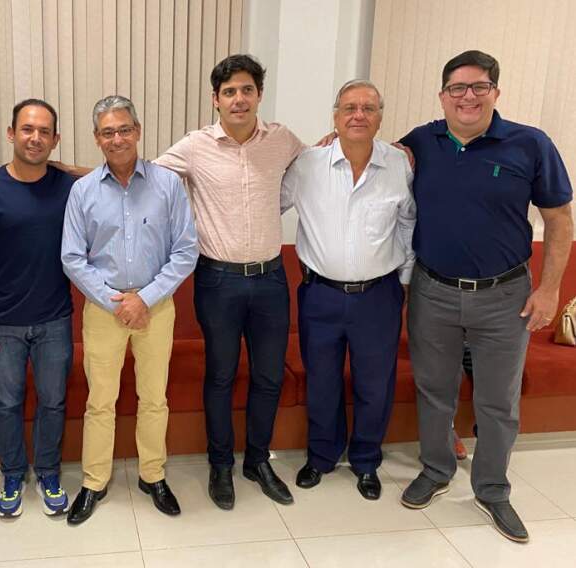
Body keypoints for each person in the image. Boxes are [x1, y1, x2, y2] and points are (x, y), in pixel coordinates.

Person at [398, 50, 573, 543]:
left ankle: (492, 489)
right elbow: (372, 154)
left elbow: (559, 220)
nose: (467, 96)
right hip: (432, 290)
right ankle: (435, 470)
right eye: (457, 88)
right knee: (434, 391)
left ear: (496, 92)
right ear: (443, 96)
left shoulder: (529, 143)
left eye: (478, 87)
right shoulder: (422, 141)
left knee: (499, 401)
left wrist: (549, 289)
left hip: (506, 296)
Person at [155, 54, 306, 510]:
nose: (238, 99)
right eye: (228, 92)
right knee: (220, 375)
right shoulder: (195, 146)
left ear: (259, 94)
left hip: (271, 279)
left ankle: (257, 460)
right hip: (217, 280)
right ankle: (220, 465)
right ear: (215, 100)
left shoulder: (282, 141)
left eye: (246, 90)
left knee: (267, 376)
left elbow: (320, 166)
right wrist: (79, 177)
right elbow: (140, 177)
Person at [61, 95, 198, 525]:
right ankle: (94, 481)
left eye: (123, 129)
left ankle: (152, 475)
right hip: (104, 310)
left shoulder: (168, 185)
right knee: (100, 400)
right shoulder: (82, 191)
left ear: (137, 131)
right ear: (97, 139)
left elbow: (186, 250)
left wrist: (145, 298)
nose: (116, 138)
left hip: (155, 307)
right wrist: (115, 301)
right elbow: (72, 256)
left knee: (154, 397)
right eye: (107, 132)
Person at [283, 80, 415, 501]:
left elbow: (410, 222)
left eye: (368, 108)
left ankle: (365, 461)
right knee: (322, 380)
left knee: (375, 384)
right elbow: (265, 203)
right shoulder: (307, 164)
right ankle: (321, 457)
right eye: (350, 108)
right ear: (335, 117)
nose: (359, 115)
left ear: (380, 117)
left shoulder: (400, 165)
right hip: (320, 294)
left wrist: (406, 281)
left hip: (379, 295)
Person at [0, 99, 74, 518]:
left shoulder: (68, 187)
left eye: (44, 131)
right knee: (6, 404)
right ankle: (12, 473)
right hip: (2, 321)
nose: (35, 138)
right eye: (27, 129)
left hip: (55, 319)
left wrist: (72, 168)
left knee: (53, 402)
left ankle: (47, 472)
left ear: (55, 139)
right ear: (11, 133)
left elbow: (103, 178)